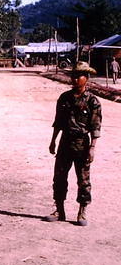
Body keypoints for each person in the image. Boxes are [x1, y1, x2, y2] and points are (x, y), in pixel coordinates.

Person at [44, 61, 102, 227]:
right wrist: (53, 141)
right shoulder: (64, 98)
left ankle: (82, 210)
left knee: (83, 180)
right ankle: (59, 209)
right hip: (65, 143)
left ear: (87, 78)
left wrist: (92, 148)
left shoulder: (93, 101)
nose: (75, 79)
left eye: (79, 76)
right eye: (73, 76)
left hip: (82, 144)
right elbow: (58, 122)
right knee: (59, 177)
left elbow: (95, 126)